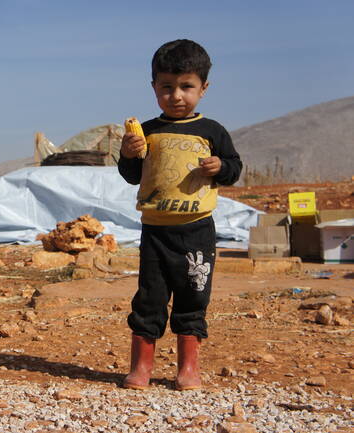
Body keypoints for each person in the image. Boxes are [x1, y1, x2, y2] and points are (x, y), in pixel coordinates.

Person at [117, 39, 242, 391]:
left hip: (196, 231)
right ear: (154, 87)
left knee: (193, 297)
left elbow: (234, 168)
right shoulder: (146, 131)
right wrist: (128, 153)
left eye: (186, 86)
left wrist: (221, 166)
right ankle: (140, 368)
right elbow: (130, 175)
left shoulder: (212, 131)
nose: (176, 96)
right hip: (155, 232)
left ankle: (188, 369)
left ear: (204, 88)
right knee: (149, 298)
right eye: (166, 87)